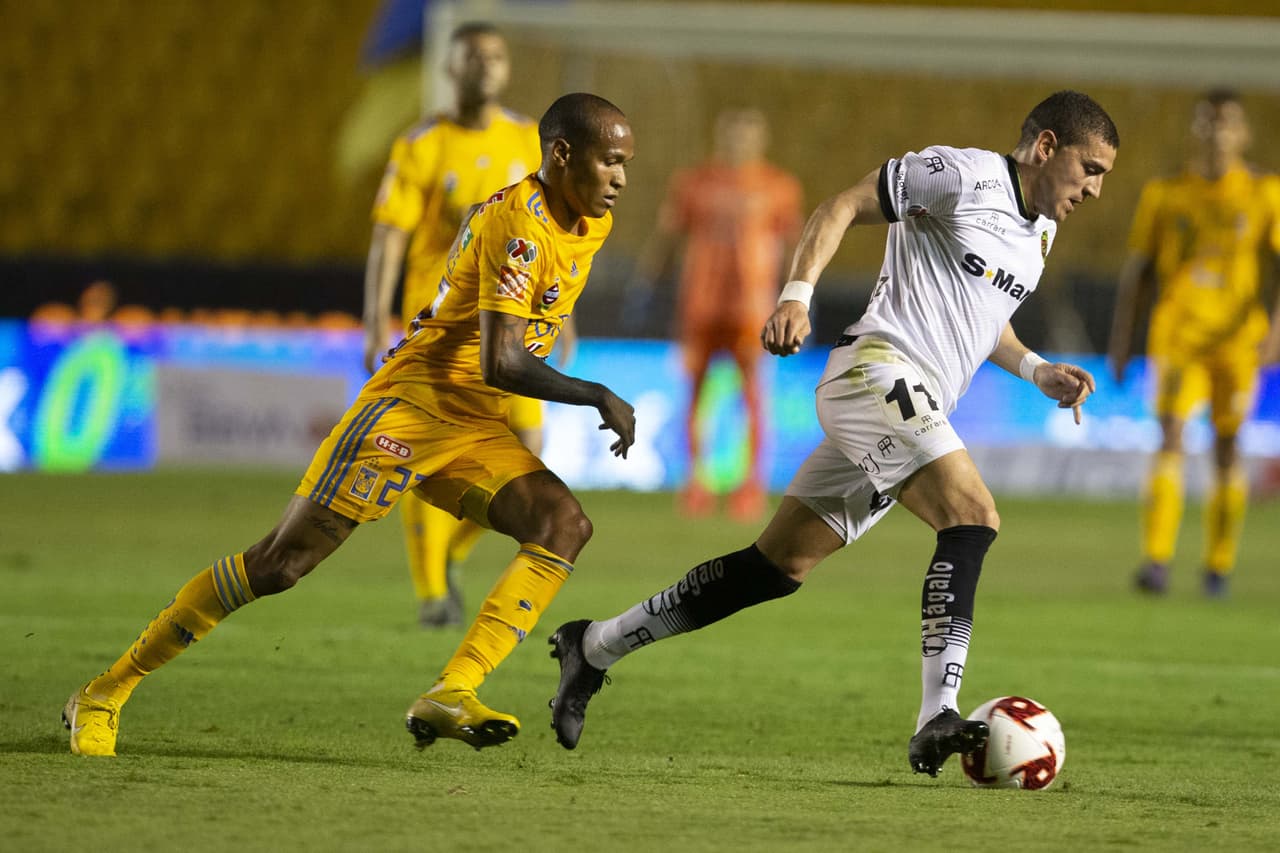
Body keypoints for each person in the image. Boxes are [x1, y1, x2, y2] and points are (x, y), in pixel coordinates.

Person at [548, 91, 1117, 779]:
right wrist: (796, 295)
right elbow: (840, 206)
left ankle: (594, 645)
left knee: (775, 567)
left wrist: (1034, 368)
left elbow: (985, 318)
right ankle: (938, 711)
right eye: (1090, 169)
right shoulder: (961, 175)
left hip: (914, 403)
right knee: (972, 514)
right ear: (1048, 147)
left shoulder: (1040, 234)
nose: (1094, 189)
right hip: (875, 372)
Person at [63, 92, 636, 757]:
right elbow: (501, 360)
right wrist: (596, 393)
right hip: (410, 406)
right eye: (611, 161)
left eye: (625, 163)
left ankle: (452, 690)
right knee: (280, 564)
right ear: (562, 155)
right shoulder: (519, 226)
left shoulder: (589, 222)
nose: (621, 178)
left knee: (562, 525)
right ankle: (104, 691)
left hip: (474, 422)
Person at [364, 21, 576, 629]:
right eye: (473, 55)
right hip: (441, 327)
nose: (485, 64)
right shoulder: (422, 144)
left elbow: (553, 233)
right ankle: (432, 591)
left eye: (495, 55)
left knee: (529, 454)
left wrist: (565, 314)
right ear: (450, 68)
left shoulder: (527, 139)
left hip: (511, 322)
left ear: (507, 68)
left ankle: (450, 554)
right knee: (424, 454)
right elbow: (390, 236)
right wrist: (374, 320)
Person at [1109, 89, 1280, 599]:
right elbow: (1139, 271)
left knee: (1228, 444)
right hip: (1178, 337)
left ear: (1244, 134)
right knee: (1170, 435)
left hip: (1237, 341)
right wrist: (1122, 340)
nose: (1215, 132)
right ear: (1194, 130)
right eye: (1207, 121)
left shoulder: (1265, 193)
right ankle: (1156, 561)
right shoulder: (1166, 194)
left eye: (1226, 123)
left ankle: (1217, 567)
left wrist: (1275, 332)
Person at [628, 108, 803, 520]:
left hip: (752, 310)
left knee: (753, 398)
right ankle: (695, 484)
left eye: (747, 136)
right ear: (720, 137)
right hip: (701, 305)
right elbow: (669, 236)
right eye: (732, 135)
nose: (738, 143)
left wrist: (796, 297)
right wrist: (647, 281)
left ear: (761, 140)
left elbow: (794, 245)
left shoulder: (779, 187)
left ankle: (750, 487)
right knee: (695, 395)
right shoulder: (694, 183)